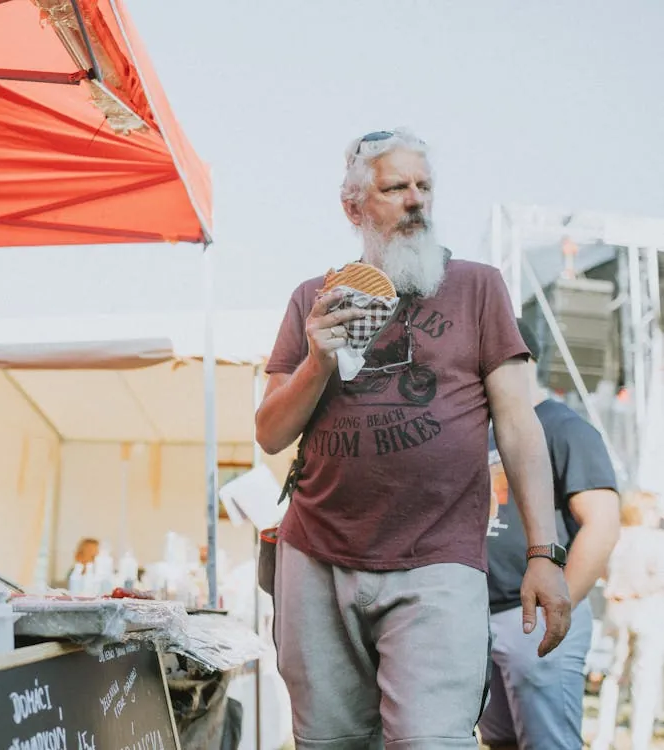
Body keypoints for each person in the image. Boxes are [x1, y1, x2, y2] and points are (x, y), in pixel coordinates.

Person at [255, 128, 572, 749]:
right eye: (395, 186)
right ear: (354, 207)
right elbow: (269, 433)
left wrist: (544, 553)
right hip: (317, 556)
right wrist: (318, 359)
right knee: (327, 742)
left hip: (437, 560)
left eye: (424, 186)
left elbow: (517, 423)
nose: (416, 200)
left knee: (430, 742)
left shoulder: (478, 287)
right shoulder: (309, 299)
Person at [480, 319, 620, 749]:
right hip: (484, 616)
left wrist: (556, 610)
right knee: (500, 740)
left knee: (549, 744)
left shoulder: (563, 427)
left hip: (534, 621)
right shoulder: (486, 429)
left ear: (523, 360)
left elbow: (603, 523)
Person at [591, 497, 664, 750]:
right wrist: (636, 590)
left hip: (617, 612)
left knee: (615, 676)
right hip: (648, 613)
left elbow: (600, 570)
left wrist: (618, 589)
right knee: (645, 678)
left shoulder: (615, 538)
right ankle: (639, 740)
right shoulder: (655, 540)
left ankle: (603, 737)